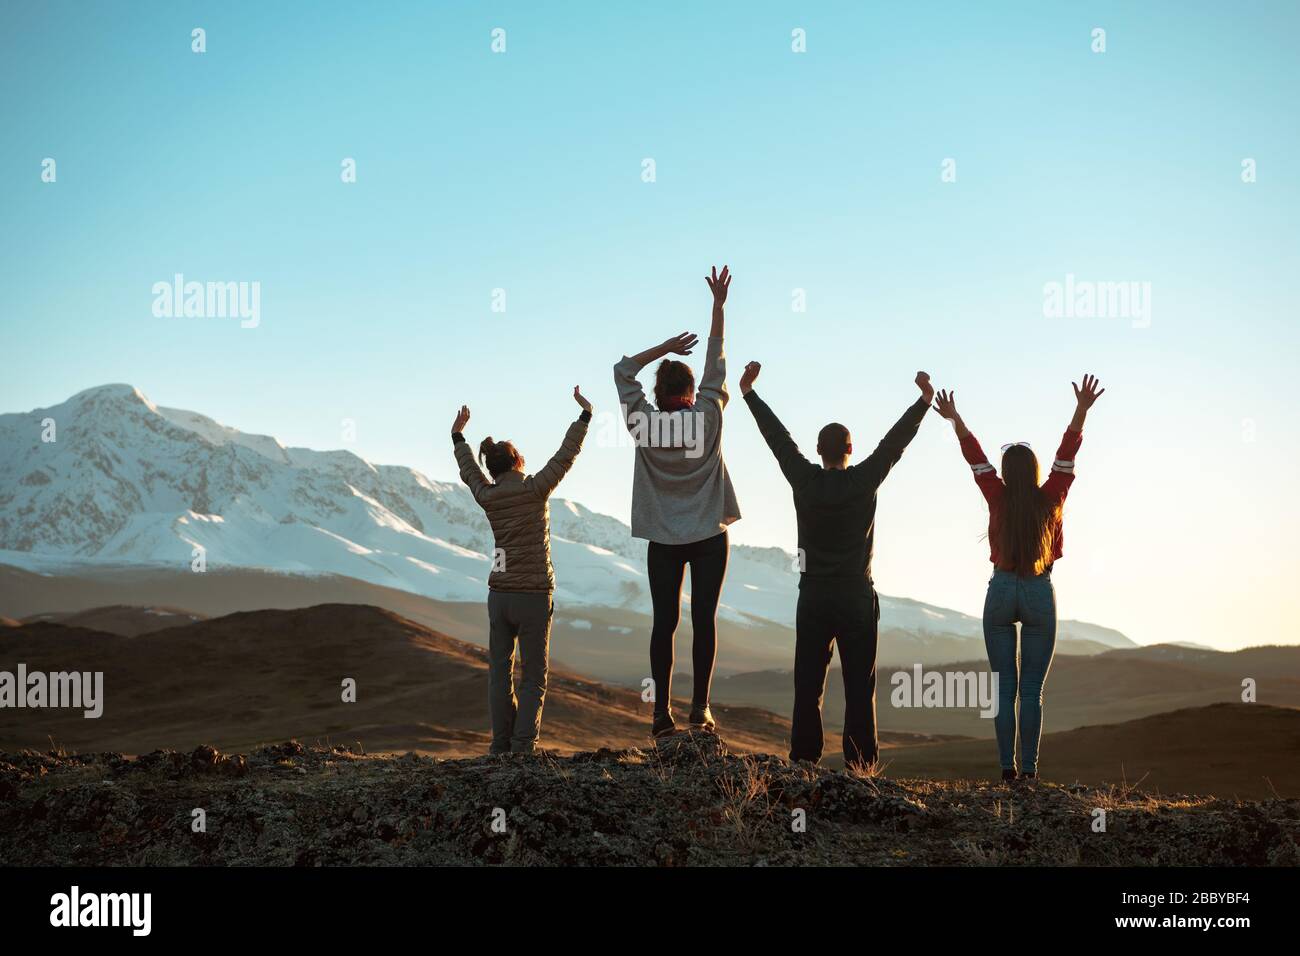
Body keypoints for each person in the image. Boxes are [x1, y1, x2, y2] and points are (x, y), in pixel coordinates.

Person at [739, 361, 933, 769]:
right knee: (860, 687)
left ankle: (804, 761)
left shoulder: (803, 480)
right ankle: (860, 766)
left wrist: (750, 393)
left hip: (813, 596)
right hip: (856, 597)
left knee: (808, 684)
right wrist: (923, 402)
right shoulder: (865, 480)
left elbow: (778, 440)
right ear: (850, 450)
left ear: (817, 451)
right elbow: (892, 445)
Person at [932, 374, 1105, 783]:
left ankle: (1006, 771)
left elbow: (973, 456)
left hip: (1001, 589)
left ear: (1007, 473)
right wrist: (1081, 409)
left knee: (1003, 689)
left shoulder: (997, 493)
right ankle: (1029, 772)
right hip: (1039, 589)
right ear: (1036, 471)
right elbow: (1067, 453)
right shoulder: (1052, 497)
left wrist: (954, 418)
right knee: (1031, 692)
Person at [614, 265, 740, 738]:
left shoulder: (642, 425)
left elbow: (622, 370)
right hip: (709, 535)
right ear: (690, 393)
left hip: (663, 541)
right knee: (703, 621)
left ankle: (660, 715)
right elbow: (716, 363)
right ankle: (700, 709)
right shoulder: (709, 418)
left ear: (657, 394)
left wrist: (663, 348)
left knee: (663, 623)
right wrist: (718, 308)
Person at [451, 388, 592, 754]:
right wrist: (584, 417)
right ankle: (523, 745)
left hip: (499, 595)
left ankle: (501, 745)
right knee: (533, 677)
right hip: (533, 595)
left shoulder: (487, 495)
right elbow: (565, 457)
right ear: (518, 463)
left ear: (493, 469)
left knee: (500, 672)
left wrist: (458, 437)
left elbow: (469, 472)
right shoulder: (535, 490)